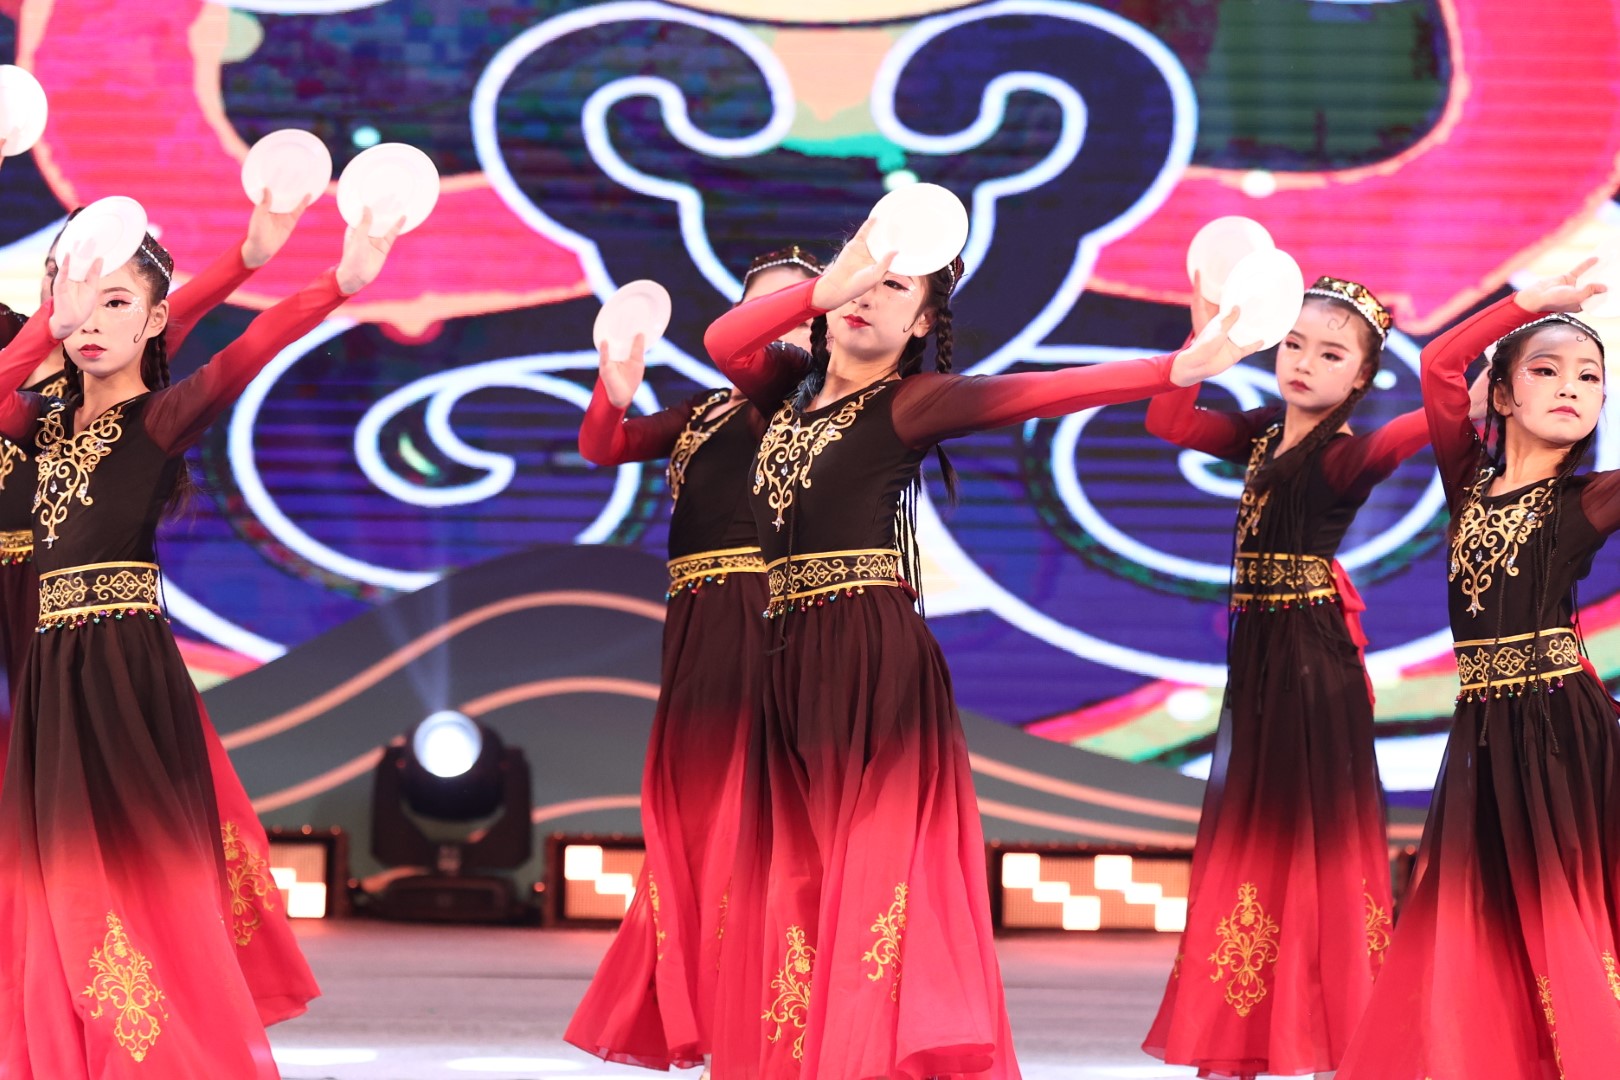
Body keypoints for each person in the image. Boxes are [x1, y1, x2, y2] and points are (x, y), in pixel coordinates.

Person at [704, 220, 1259, 1079]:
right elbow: (723, 339)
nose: (868, 296)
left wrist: (1174, 370)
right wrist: (830, 281)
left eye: (896, 288)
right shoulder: (782, 387)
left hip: (870, 661)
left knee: (874, 881)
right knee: (798, 881)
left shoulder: (911, 402)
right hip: (785, 660)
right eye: (863, 277)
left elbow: (1040, 392)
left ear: (923, 323)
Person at [0, 206, 401, 1079]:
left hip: (121, 667)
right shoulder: (39, 422)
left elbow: (244, 353)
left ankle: (160, 1052)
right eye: (78, 300)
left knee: (134, 868)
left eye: (116, 303)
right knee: (54, 874)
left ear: (154, 321)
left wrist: (340, 281)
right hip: (51, 668)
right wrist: (53, 319)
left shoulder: (156, 418)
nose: (90, 320)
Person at [1338, 262, 1620, 1080]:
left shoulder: (1586, 500)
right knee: (1476, 912)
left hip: (1561, 730)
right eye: (1547, 370)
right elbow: (1438, 365)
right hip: (1484, 729)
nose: (1570, 388)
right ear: (1501, 394)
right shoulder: (1468, 482)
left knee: (1562, 911)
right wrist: (1530, 303)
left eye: (1590, 378)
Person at [1141, 275, 1428, 1078]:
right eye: (1295, 344)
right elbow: (1168, 421)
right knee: (1255, 838)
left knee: (1306, 841)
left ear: (1362, 377)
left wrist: (1462, 402)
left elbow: (1401, 440)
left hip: (1309, 660)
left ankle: (1328, 1029)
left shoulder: (1342, 456)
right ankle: (1248, 1029)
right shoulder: (1265, 434)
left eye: (1331, 353)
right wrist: (1203, 343)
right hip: (1263, 655)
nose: (1303, 362)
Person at [566, 246, 822, 1070]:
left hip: (773, 616)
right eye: (762, 311)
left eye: (795, 311)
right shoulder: (706, 413)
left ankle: (772, 992)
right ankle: (708, 989)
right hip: (698, 623)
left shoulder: (824, 407)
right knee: (695, 811)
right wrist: (615, 386)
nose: (777, 328)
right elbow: (605, 447)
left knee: (759, 809)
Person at [0, 191, 309, 778]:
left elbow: (200, 315)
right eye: (59, 271)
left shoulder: (118, 359)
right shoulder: (21, 355)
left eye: (102, 289)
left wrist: (250, 255)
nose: (73, 291)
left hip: (49, 581)